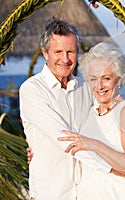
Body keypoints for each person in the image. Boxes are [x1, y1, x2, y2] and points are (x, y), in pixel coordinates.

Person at [19, 16, 111, 200]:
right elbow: (65, 140)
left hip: (88, 192)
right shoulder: (32, 90)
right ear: (45, 53)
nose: (65, 59)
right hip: (51, 194)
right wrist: (115, 168)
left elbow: (107, 125)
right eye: (58, 52)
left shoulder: (86, 88)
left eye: (71, 52)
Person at [57, 42, 125, 199]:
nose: (99, 86)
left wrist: (93, 144)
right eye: (93, 79)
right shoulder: (91, 111)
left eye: (106, 78)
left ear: (119, 79)